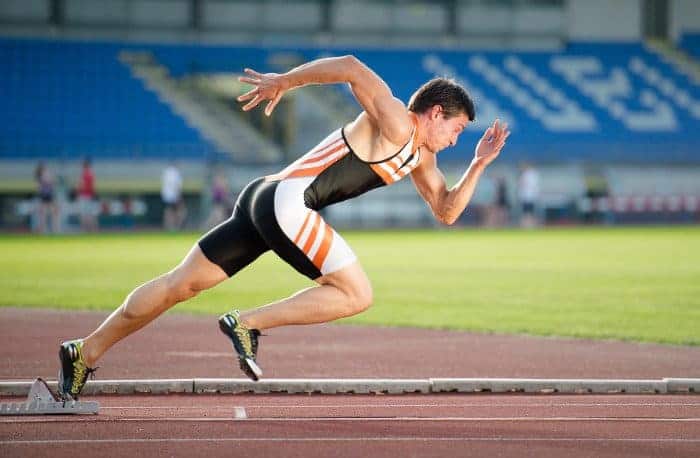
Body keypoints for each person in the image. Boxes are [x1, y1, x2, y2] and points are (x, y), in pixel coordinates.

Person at [57, 55, 510, 400]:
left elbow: (446, 210)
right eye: (456, 130)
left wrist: (477, 164)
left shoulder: (422, 158)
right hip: (288, 204)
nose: (455, 140)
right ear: (434, 113)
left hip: (262, 198)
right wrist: (285, 82)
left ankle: (86, 351)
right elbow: (352, 67)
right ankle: (248, 324)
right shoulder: (396, 120)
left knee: (180, 285)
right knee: (357, 294)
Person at [34, 161, 59, 234]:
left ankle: (47, 229)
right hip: (47, 195)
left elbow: (49, 183)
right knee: (49, 213)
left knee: (47, 213)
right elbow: (50, 182)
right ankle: (50, 229)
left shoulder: (41, 175)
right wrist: (52, 180)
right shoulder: (42, 175)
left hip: (46, 195)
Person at [161, 162, 186, 230]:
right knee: (179, 211)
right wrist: (178, 196)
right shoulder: (175, 173)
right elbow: (176, 186)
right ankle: (175, 226)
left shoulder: (166, 172)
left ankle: (169, 226)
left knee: (169, 211)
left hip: (166, 196)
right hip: (174, 195)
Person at [77, 158, 98, 232]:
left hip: (84, 195)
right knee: (90, 214)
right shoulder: (91, 174)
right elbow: (93, 186)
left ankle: (85, 229)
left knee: (85, 214)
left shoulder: (85, 174)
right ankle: (92, 229)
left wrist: (79, 190)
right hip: (89, 195)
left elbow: (81, 185)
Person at [517, 162, 540, 228]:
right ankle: (528, 225)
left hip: (528, 196)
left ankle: (527, 225)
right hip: (530, 196)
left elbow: (523, 183)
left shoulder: (528, 174)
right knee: (529, 212)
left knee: (527, 212)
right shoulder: (534, 174)